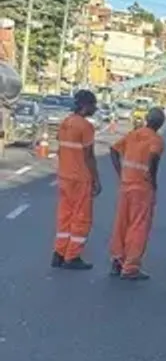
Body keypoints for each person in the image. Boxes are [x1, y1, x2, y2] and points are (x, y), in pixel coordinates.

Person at [109, 107, 166, 281]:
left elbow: (113, 150)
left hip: (126, 185)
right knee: (138, 226)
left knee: (122, 224)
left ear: (147, 120)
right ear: (160, 124)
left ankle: (117, 261)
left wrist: (121, 173)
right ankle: (131, 267)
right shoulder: (157, 140)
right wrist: (152, 179)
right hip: (142, 188)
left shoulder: (133, 134)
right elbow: (153, 158)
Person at [53, 89, 101, 270]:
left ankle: (58, 253)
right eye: (93, 105)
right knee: (81, 218)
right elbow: (89, 156)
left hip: (64, 176)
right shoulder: (86, 127)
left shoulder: (65, 123)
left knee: (64, 216)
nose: (94, 109)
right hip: (80, 179)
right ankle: (72, 256)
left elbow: (60, 148)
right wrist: (96, 179)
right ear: (85, 106)